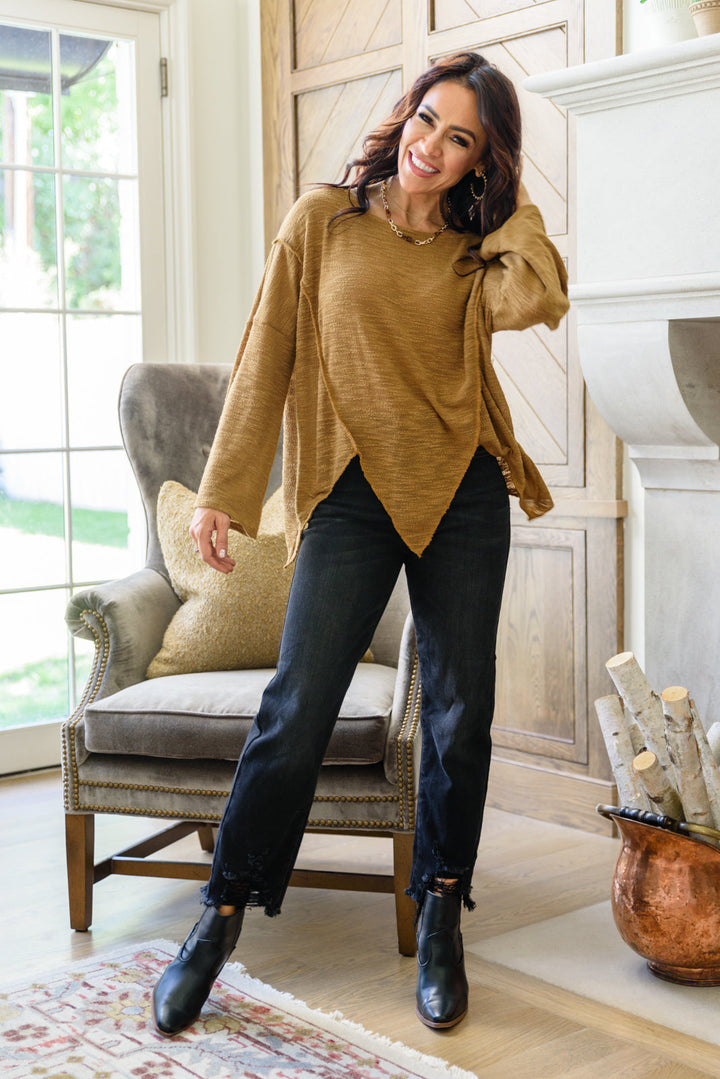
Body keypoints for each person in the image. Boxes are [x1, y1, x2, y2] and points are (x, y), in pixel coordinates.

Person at [152, 50, 569, 1037]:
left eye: (461, 139)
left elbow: (539, 295)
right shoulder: (323, 221)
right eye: (427, 119)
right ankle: (219, 915)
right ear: (404, 114)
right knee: (298, 706)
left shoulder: (476, 252)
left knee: (461, 709)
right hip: (348, 490)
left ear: (480, 160)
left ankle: (441, 912)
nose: (431, 146)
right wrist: (225, 493)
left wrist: (508, 206)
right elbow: (266, 354)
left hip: (463, 487)